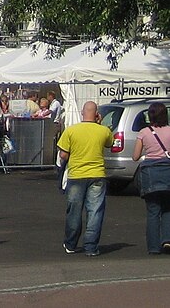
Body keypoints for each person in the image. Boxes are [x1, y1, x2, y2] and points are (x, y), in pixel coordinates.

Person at [57, 100, 113, 256]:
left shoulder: (71, 130)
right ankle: (91, 247)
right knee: (95, 211)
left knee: (74, 211)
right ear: (96, 114)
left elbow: (63, 154)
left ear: (82, 113)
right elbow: (110, 143)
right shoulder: (103, 131)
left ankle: (71, 244)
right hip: (97, 174)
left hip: (77, 175)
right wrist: (100, 123)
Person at [133, 101, 170, 254]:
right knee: (168, 208)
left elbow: (135, 156)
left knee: (153, 211)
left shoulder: (144, 132)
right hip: (167, 172)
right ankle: (167, 240)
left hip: (151, 175)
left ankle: (154, 247)